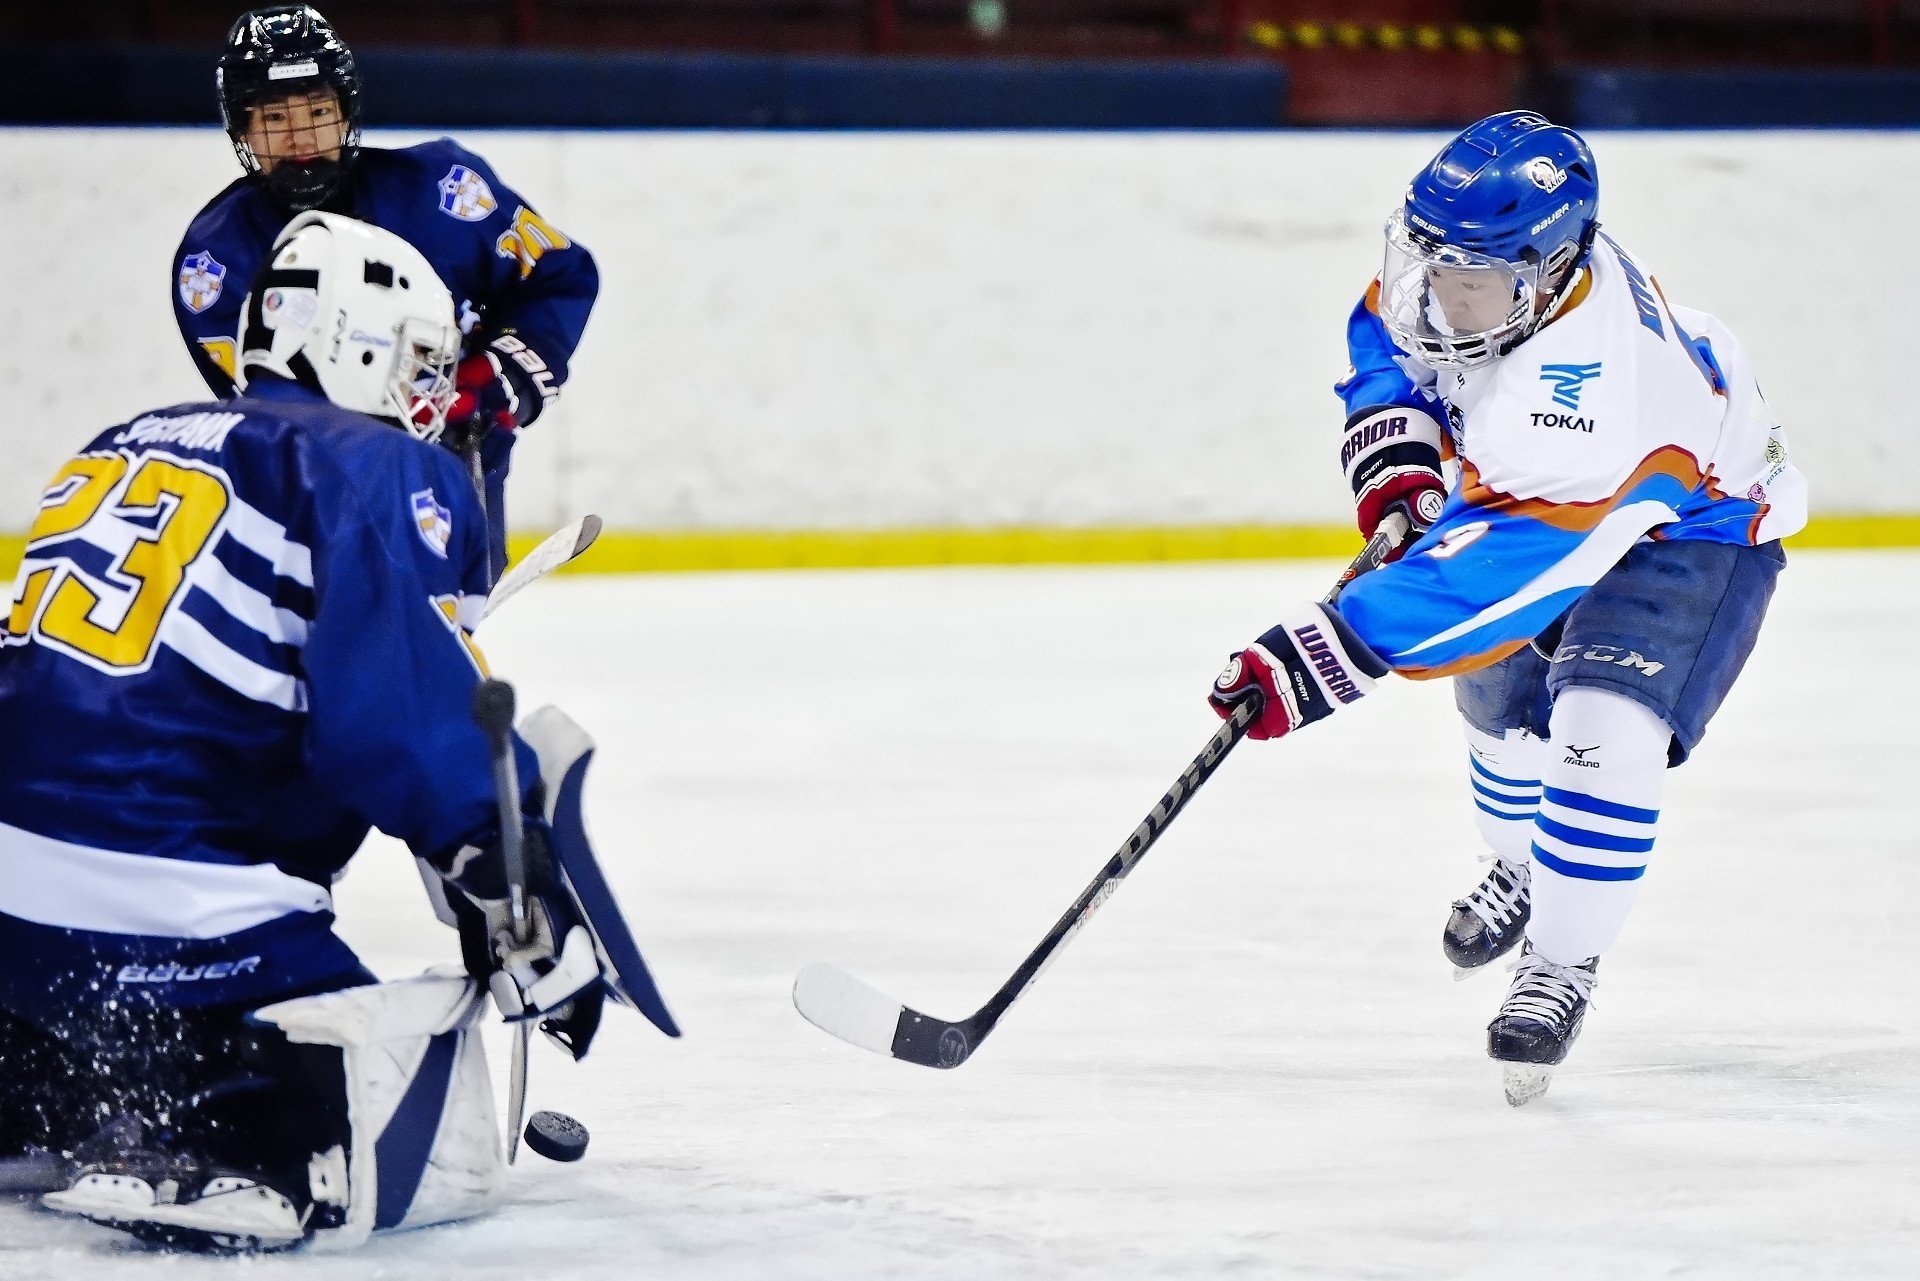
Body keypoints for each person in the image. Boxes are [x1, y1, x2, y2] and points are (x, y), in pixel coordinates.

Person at [0, 213, 669, 1252]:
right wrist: (501, 862)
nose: (427, 397)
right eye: (415, 363)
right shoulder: (370, 464)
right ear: (350, 342)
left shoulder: (121, 439)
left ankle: (29, 1081)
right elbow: (386, 729)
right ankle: (242, 1133)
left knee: (58, 1032)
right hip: (162, 902)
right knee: (403, 1104)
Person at [1207, 111, 1805, 1105]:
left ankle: (1562, 964)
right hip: (1548, 503)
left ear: (1542, 270)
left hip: (1695, 525)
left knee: (1601, 727)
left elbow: (1501, 582)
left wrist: (1324, 653)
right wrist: (1399, 462)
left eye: (1470, 277)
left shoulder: (1586, 400)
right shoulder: (1495, 272)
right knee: (1499, 716)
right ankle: (1521, 868)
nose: (1442, 292)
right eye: (1433, 262)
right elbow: (1389, 331)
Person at [172, 3, 599, 580]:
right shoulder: (215, 264)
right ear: (241, 129)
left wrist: (500, 377)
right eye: (274, 118)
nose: (301, 138)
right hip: (323, 500)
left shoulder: (446, 192)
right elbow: (271, 417)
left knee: (444, 637)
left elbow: (558, 275)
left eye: (319, 111)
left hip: (459, 470)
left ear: (347, 113)